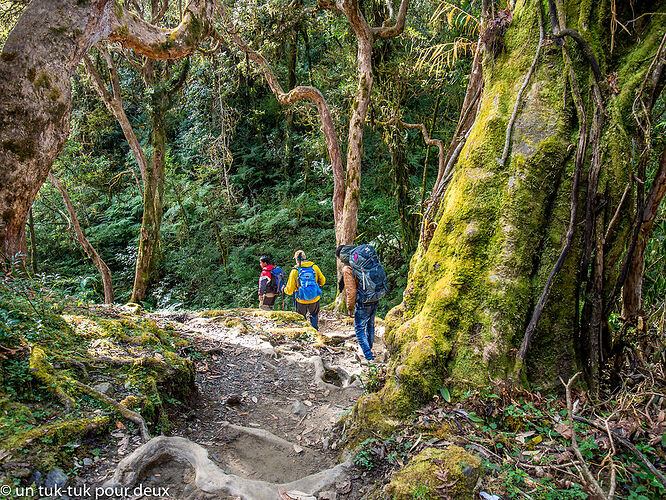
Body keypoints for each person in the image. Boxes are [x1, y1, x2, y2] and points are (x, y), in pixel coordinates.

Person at [336, 244, 386, 363]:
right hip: (375, 295)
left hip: (364, 300)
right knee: (370, 324)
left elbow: (351, 291)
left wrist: (350, 307)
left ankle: (368, 357)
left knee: (359, 328)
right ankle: (368, 350)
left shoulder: (348, 269)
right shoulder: (363, 263)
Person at [284, 250, 325, 330]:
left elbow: (290, 290)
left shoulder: (295, 271)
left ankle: (304, 332)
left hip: (301, 300)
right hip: (314, 298)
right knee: (314, 314)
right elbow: (323, 281)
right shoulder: (314, 267)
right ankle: (315, 330)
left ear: (296, 259)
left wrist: (284, 290)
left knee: (301, 318)